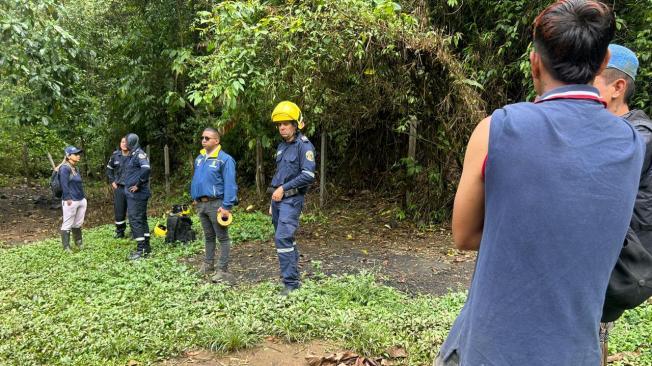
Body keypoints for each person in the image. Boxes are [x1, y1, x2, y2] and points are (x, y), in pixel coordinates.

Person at [436, 1, 644, 365]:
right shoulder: (630, 145)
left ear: (535, 63)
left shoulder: (498, 129)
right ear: (602, 61)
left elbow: (464, 235)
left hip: (489, 350)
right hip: (576, 352)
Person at [593, 44, 652, 365]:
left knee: (594, 329)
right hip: (609, 258)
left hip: (621, 264)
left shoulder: (638, 135)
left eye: (591, 81)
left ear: (618, 87)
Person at [268, 101, 316, 296]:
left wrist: (283, 189)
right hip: (278, 200)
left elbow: (308, 175)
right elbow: (280, 174)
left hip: (292, 199)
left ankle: (291, 284)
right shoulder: (281, 146)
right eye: (279, 124)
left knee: (282, 238)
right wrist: (273, 198)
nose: (282, 127)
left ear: (296, 125)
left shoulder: (304, 146)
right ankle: (293, 275)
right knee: (286, 239)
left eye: (286, 123)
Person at [190, 127, 238, 283]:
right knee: (208, 236)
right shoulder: (200, 158)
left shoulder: (225, 159)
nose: (203, 140)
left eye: (207, 138)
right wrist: (195, 197)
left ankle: (222, 269)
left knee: (222, 238)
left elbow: (230, 184)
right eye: (202, 137)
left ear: (216, 141)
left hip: (217, 204)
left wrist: (227, 206)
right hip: (202, 204)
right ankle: (208, 264)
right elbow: (198, 179)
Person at [123, 133, 152, 260]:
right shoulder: (134, 154)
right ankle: (146, 247)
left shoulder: (138, 154)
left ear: (131, 142)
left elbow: (146, 168)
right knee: (141, 219)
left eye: (126, 142)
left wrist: (138, 184)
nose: (125, 144)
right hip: (135, 194)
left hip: (137, 194)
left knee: (135, 220)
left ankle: (141, 250)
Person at [58, 146, 87, 252]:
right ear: (68, 156)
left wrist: (83, 199)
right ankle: (66, 247)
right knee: (67, 223)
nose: (78, 156)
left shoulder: (75, 167)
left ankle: (78, 242)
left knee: (78, 223)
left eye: (78, 154)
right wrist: (67, 198)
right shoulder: (64, 168)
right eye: (75, 154)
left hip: (80, 199)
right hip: (71, 200)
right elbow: (64, 184)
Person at [106, 136, 131, 238]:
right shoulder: (115, 156)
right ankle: (120, 232)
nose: (124, 144)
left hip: (131, 188)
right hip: (119, 188)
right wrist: (112, 181)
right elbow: (109, 169)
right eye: (122, 142)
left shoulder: (134, 155)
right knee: (119, 211)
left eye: (126, 142)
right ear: (120, 144)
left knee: (133, 211)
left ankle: (135, 232)